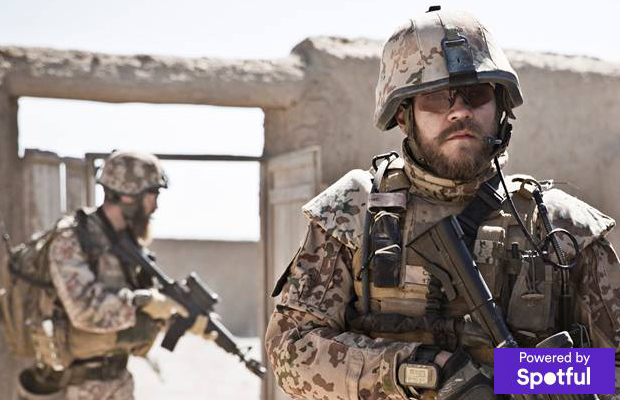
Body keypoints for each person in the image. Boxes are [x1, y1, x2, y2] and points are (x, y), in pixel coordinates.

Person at [265, 7, 620, 400]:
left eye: (477, 94)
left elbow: (615, 367)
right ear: (404, 115)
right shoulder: (353, 212)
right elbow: (291, 350)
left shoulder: (563, 227)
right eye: (436, 98)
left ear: (500, 105)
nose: (460, 110)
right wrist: (418, 371)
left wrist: (517, 376)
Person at [16, 151, 206, 400]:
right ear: (128, 196)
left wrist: (179, 318)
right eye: (152, 195)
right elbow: (85, 311)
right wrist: (145, 301)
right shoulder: (71, 239)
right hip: (75, 387)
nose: (155, 206)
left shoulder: (127, 245)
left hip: (117, 382)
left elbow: (138, 317)